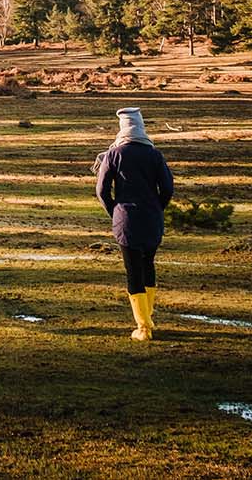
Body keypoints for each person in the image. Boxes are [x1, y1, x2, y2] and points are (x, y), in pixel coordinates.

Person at [94, 106, 174, 342]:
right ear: (141, 127)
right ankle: (148, 318)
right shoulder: (155, 155)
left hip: (125, 220)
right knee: (148, 265)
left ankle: (143, 326)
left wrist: (115, 211)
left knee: (133, 270)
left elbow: (101, 190)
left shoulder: (114, 155)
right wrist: (157, 207)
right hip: (152, 218)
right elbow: (167, 188)